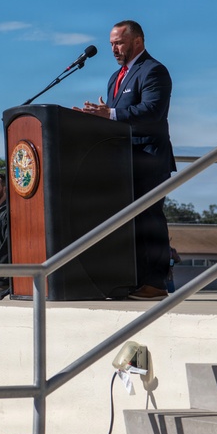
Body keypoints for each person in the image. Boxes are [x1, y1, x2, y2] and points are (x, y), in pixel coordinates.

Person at [76, 20, 175, 301]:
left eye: (119, 42)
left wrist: (109, 115)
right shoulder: (115, 77)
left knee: (149, 219)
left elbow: (152, 111)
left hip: (149, 158)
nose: (114, 49)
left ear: (138, 42)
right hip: (122, 162)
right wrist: (93, 120)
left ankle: (155, 283)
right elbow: (113, 117)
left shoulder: (154, 70)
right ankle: (131, 279)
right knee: (128, 223)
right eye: (111, 44)